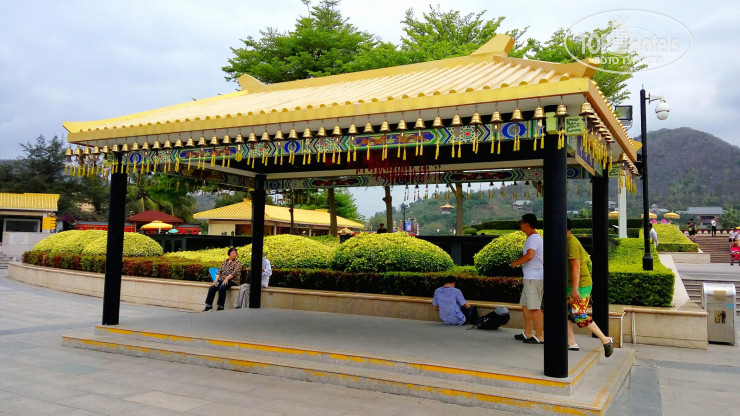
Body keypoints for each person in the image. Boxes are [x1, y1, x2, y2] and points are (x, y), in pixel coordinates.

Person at [565, 219, 614, 357]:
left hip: (580, 285)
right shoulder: (567, 241)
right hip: (572, 284)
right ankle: (571, 342)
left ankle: (606, 340)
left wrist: (575, 289)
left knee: (579, 315)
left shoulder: (572, 243)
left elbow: (576, 267)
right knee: (568, 314)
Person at [509, 213, 544, 344]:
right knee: (526, 305)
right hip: (531, 277)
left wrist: (515, 263)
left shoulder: (533, 239)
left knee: (534, 307)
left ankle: (539, 336)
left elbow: (530, 256)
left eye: (521, 222)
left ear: (527, 224)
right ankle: (528, 332)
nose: (520, 225)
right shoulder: (534, 237)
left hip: (533, 278)